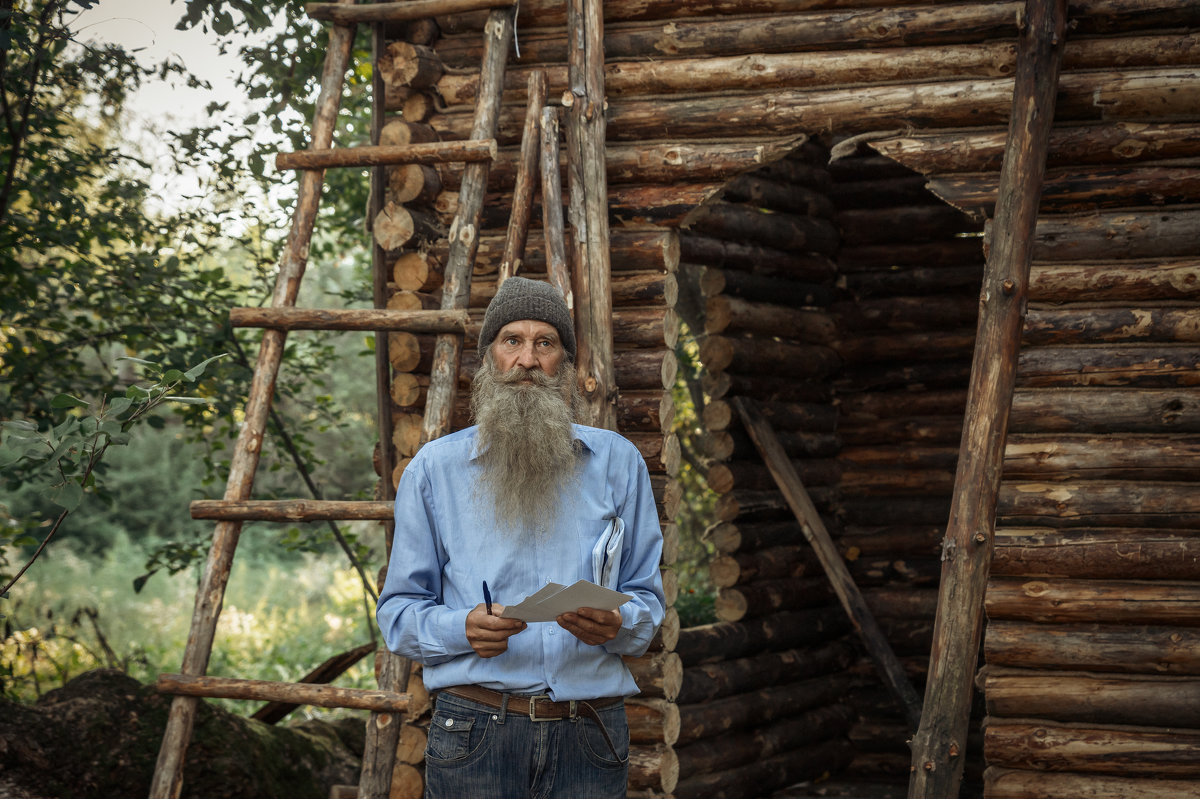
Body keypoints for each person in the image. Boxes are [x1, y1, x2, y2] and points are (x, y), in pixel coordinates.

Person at [377, 276, 666, 799]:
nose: (527, 359)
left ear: (564, 363)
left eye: (545, 343)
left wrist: (619, 622)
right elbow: (397, 615)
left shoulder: (618, 462)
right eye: (512, 340)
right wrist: (460, 628)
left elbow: (648, 603)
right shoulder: (434, 471)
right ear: (489, 358)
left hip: (590, 734)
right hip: (476, 731)